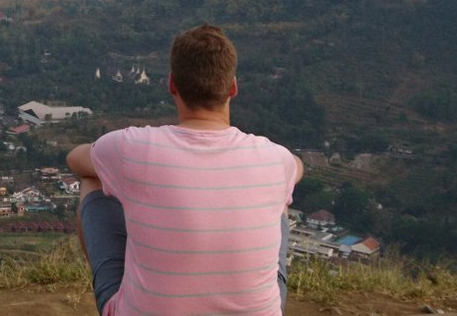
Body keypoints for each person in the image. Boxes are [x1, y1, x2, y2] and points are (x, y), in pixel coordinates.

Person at [67, 24, 305, 315]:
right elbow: (297, 167)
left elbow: (75, 160)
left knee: (93, 181)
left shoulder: (133, 147)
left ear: (172, 84)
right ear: (232, 87)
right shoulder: (274, 159)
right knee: (280, 197)